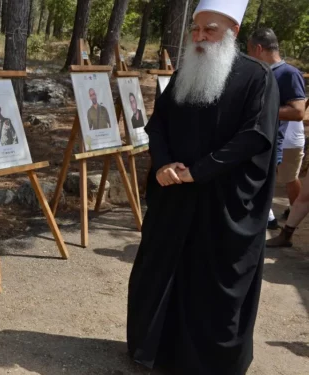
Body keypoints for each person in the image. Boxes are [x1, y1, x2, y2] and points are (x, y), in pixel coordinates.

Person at [126, 1, 279, 374]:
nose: (199, 37)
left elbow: (254, 137)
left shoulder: (257, 78)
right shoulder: (183, 74)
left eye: (209, 30)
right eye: (195, 30)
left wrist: (200, 171)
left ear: (233, 33)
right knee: (161, 272)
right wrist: (163, 164)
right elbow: (157, 125)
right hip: (175, 197)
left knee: (212, 284)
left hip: (223, 204)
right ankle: (154, 350)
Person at [247, 28, 307, 230]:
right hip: (258, 140)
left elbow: (298, 111)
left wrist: (257, 110)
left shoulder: (289, 73)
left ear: (258, 48)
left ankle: (280, 220)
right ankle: (268, 219)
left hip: (277, 141)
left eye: (249, 50)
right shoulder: (261, 72)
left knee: (278, 180)